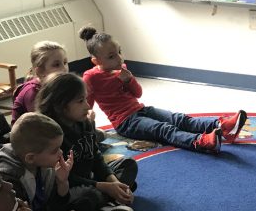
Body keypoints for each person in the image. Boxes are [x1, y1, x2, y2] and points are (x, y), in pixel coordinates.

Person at [79, 26, 246, 154]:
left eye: (119, 52)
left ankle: (222, 127)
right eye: (111, 56)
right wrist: (86, 128)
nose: (119, 58)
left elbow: (137, 94)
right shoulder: (91, 77)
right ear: (95, 60)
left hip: (140, 109)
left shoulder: (122, 69)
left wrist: (129, 80)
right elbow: (86, 105)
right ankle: (200, 142)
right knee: (164, 129)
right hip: (125, 122)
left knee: (179, 119)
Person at [36, 72, 137, 211]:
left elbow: (95, 157)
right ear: (60, 106)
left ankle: (109, 201)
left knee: (128, 164)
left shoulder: (84, 123)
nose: (88, 105)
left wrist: (114, 182)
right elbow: (65, 178)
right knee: (88, 196)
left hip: (90, 178)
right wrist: (104, 186)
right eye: (80, 101)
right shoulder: (53, 135)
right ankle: (101, 208)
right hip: (69, 187)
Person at [0, 113, 90, 211]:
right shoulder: (8, 177)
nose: (60, 153)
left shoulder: (42, 162)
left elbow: (56, 202)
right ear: (30, 157)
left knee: (87, 199)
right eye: (55, 150)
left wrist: (62, 181)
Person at [11, 41, 69, 123]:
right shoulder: (32, 93)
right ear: (40, 71)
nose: (64, 69)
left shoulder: (60, 84)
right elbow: (44, 125)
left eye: (65, 62)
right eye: (56, 65)